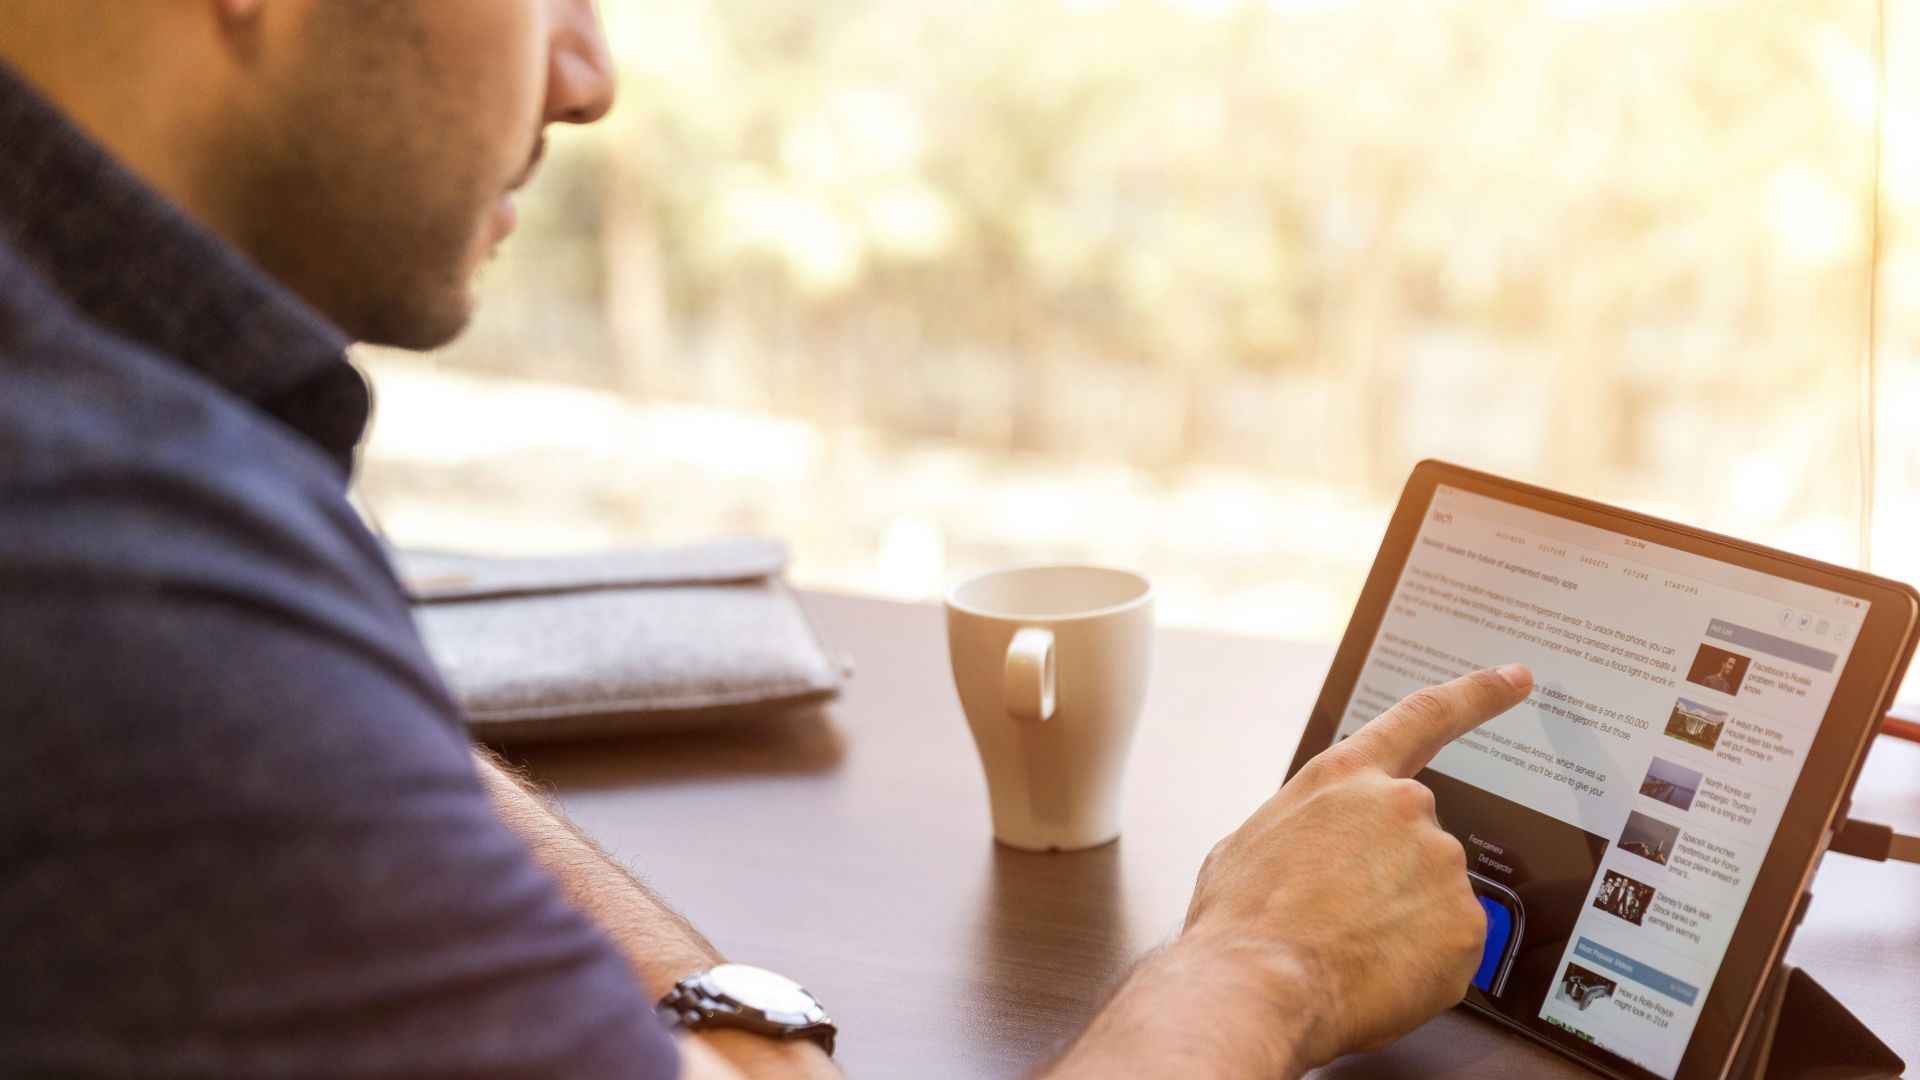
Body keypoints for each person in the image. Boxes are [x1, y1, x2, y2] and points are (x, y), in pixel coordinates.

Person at [0, 2, 1534, 1077]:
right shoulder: (109, 561)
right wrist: (1265, 967)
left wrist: (726, 1027)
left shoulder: (134, 493)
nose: (589, 76)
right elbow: (193, 693)